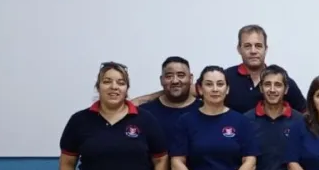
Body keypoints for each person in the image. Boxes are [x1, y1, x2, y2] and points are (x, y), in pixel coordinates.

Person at [131, 25, 306, 113]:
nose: (253, 51)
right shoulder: (224, 78)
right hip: (232, 157)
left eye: (258, 45)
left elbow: (305, 113)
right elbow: (181, 90)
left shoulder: (280, 81)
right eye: (247, 45)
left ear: (266, 49)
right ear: (239, 49)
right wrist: (142, 100)